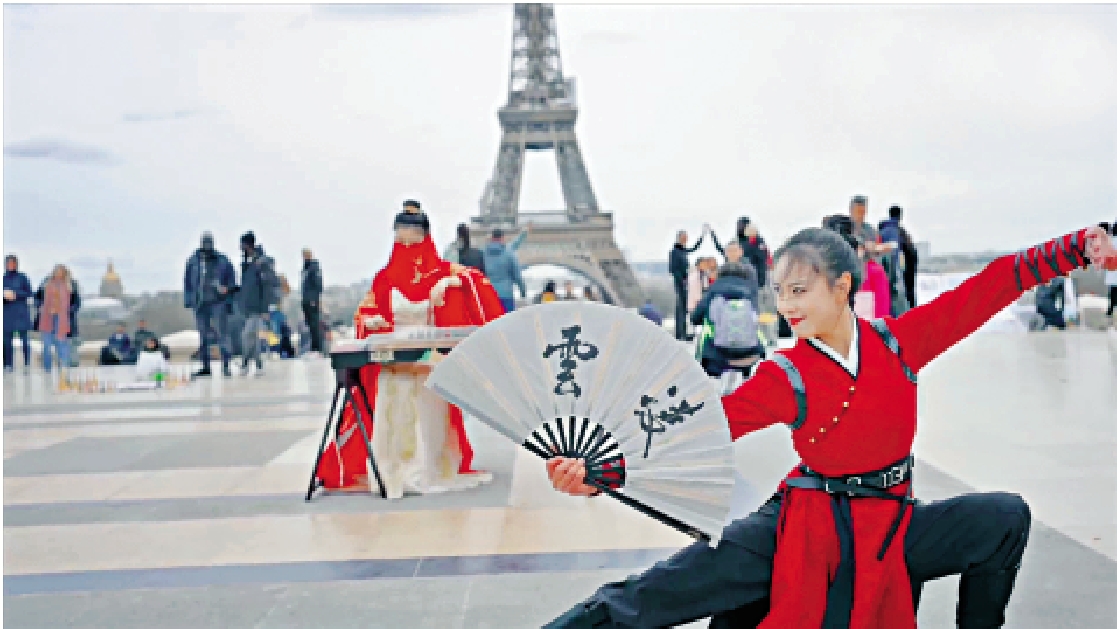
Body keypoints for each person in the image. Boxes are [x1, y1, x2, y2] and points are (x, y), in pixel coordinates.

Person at [543, 222, 1116, 629]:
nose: (787, 307)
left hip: (888, 529)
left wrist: (1072, 249)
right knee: (656, 593)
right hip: (804, 526)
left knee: (1003, 518)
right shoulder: (784, 372)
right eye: (780, 294)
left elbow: (987, 289)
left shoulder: (899, 343)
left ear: (843, 286)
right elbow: (707, 424)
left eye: (800, 291)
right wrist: (602, 468)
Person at [314, 209, 505, 499]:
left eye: (413, 241)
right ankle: (391, 466)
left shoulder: (447, 275)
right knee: (394, 409)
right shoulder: (385, 279)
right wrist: (372, 321)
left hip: (427, 358)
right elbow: (367, 312)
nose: (407, 249)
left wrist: (454, 285)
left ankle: (424, 466)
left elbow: (475, 288)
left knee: (423, 407)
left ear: (426, 239)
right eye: (401, 242)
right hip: (395, 358)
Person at [691, 261, 763, 377]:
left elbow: (695, 318)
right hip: (749, 352)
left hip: (718, 354)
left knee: (707, 337)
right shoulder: (749, 292)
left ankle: (713, 385)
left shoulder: (714, 290)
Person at [184, 232, 236, 378]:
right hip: (200, 303)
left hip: (218, 302)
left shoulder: (223, 260)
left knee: (223, 334)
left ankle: (226, 365)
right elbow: (188, 282)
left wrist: (227, 291)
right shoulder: (193, 261)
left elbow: (232, 281)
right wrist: (189, 301)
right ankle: (205, 366)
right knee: (203, 336)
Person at [238, 231, 277, 376]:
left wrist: (265, 308)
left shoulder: (262, 262)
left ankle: (248, 363)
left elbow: (266, 287)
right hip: (248, 307)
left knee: (250, 336)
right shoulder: (247, 263)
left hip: (258, 308)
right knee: (253, 337)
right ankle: (254, 364)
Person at [35, 265, 74, 372]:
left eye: (60, 272)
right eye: (56, 271)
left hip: (61, 318)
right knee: (46, 345)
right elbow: (37, 297)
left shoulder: (69, 285)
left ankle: (64, 367)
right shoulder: (46, 284)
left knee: (62, 343)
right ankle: (47, 369)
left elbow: (72, 302)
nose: (58, 274)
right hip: (47, 317)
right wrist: (40, 307)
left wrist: (69, 310)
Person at [670, 227, 707, 340]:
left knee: (683, 308)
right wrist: (682, 280)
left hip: (685, 283)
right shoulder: (675, 252)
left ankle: (682, 332)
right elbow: (673, 269)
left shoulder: (682, 251)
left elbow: (694, 248)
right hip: (681, 283)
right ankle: (680, 333)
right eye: (684, 238)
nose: (686, 240)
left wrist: (702, 236)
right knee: (681, 308)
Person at [880, 205, 919, 309]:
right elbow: (901, 254)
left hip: (888, 271)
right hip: (899, 273)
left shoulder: (883, 230)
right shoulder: (899, 232)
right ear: (900, 216)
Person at [483, 228, 527, 313]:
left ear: (491, 238)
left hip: (489, 295)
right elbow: (517, 276)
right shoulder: (509, 253)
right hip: (506, 295)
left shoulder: (484, 253)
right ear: (502, 238)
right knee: (507, 324)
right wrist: (523, 291)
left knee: (492, 324)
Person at [4, 255, 34, 372]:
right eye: (8, 263)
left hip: (21, 313)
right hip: (6, 314)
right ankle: (8, 365)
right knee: (7, 342)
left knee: (25, 340)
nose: (10, 265)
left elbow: (29, 293)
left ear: (16, 264)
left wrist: (15, 294)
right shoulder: (3, 278)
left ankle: (27, 364)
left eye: (12, 263)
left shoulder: (23, 277)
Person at [300, 248, 324, 354]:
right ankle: (313, 348)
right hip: (305, 300)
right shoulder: (305, 267)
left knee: (315, 325)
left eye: (306, 254)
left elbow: (318, 284)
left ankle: (317, 349)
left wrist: (315, 299)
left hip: (312, 300)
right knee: (309, 324)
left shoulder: (314, 267)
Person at [1107, 220, 1117, 322]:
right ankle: (1111, 308)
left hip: (1113, 268)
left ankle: (1111, 308)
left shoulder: (1110, 242)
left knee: (1113, 290)